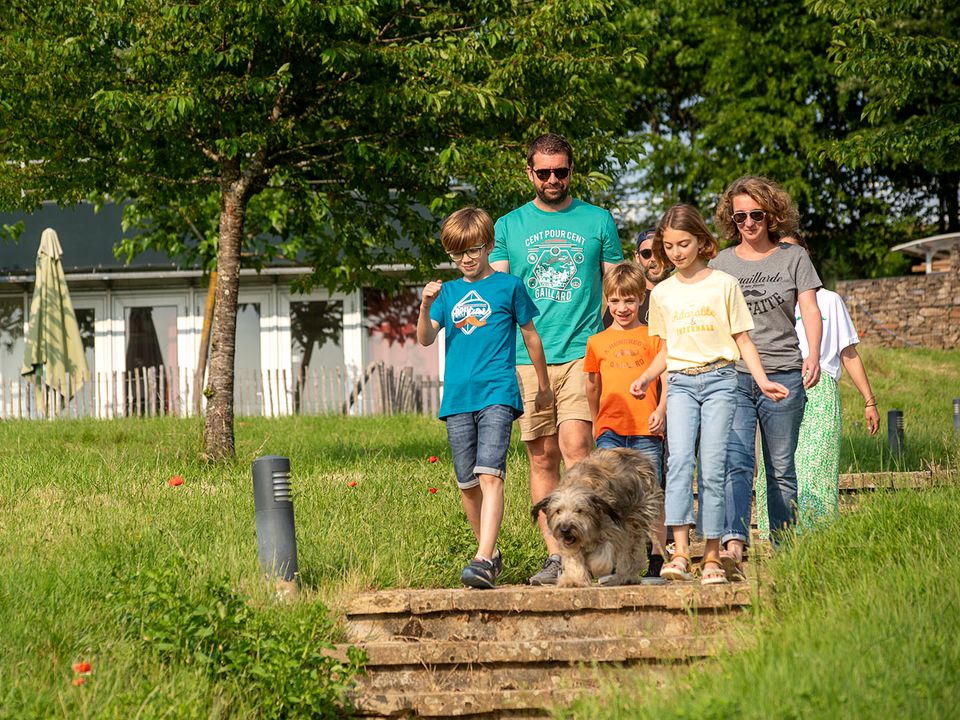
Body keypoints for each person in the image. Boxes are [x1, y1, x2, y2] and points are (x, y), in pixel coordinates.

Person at [630, 204, 788, 585]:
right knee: (680, 461)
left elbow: (742, 339)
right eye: (668, 247)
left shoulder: (724, 284)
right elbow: (666, 352)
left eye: (683, 244)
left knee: (713, 465)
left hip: (721, 381)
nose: (676, 253)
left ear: (702, 242)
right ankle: (681, 552)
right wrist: (646, 377)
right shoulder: (663, 294)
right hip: (682, 383)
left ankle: (713, 556)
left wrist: (762, 380)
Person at [490, 133, 623, 585]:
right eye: (543, 172)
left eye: (560, 171)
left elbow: (616, 286)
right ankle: (556, 557)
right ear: (529, 173)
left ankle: (589, 547)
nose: (552, 179)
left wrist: (605, 337)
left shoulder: (598, 220)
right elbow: (499, 291)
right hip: (529, 358)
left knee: (578, 453)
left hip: (581, 354)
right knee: (542, 457)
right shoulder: (508, 226)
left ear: (571, 171)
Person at [418, 207, 555, 589]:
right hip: (458, 397)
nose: (466, 259)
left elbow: (530, 336)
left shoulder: (509, 286)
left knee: (489, 472)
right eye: (457, 253)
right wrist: (427, 304)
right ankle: (490, 553)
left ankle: (481, 558)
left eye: (473, 249)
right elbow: (426, 338)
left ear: (489, 246)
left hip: (498, 390)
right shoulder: (449, 292)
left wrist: (542, 385)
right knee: (466, 482)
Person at [710, 175, 822, 578]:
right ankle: (733, 545)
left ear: (771, 214)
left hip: (784, 372)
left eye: (756, 215)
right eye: (740, 217)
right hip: (734, 376)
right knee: (736, 461)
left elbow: (809, 309)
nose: (749, 223)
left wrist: (813, 354)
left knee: (780, 466)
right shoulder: (721, 264)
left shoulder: (793, 259)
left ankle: (786, 547)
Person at [756, 234, 880, 535]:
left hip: (819, 389)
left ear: (805, 255)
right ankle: (778, 534)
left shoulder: (829, 301)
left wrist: (869, 400)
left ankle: (817, 536)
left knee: (815, 467)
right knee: (775, 467)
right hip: (777, 387)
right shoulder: (767, 297)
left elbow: (847, 353)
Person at [583, 263, 668, 569]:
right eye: (616, 301)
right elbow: (592, 386)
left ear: (640, 300)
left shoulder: (653, 337)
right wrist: (596, 421)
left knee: (651, 492)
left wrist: (661, 409)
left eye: (629, 300)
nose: (622, 308)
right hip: (611, 430)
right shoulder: (597, 341)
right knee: (610, 494)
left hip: (646, 427)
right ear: (607, 300)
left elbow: (666, 376)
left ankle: (657, 552)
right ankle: (617, 555)